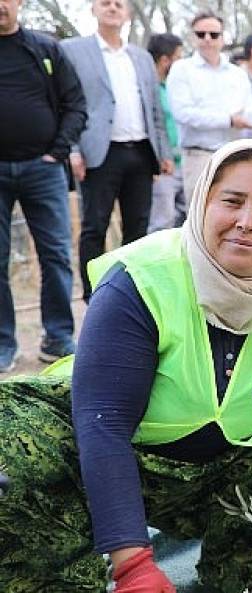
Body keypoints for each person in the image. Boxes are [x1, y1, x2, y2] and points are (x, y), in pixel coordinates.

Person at [0, 139, 252, 593]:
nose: (246, 222)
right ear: (203, 202)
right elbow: (103, 424)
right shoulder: (141, 279)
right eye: (232, 201)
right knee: (12, 441)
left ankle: (236, 577)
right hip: (97, 457)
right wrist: (133, 563)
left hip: (209, 470)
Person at [62, 0, 172, 302]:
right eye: (105, 3)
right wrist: (72, 149)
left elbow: (153, 108)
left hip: (140, 151)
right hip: (99, 153)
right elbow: (66, 102)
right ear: (94, 10)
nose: (112, 8)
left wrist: (162, 150)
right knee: (94, 226)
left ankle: (130, 294)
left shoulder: (140, 57)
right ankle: (93, 296)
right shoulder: (74, 50)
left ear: (127, 13)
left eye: (119, 4)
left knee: (137, 227)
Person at [0, 0, 87, 372]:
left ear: (18, 2)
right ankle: (3, 343)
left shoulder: (45, 48)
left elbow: (77, 104)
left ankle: (58, 337)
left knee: (56, 255)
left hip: (44, 169)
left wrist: (58, 151)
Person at [167, 12, 252, 212]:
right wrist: (228, 120)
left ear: (223, 38)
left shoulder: (238, 74)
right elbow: (183, 113)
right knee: (201, 218)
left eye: (214, 34)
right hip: (199, 156)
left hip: (235, 156)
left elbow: (249, 110)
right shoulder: (182, 70)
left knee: (235, 217)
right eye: (201, 34)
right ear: (193, 37)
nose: (207, 39)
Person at [146, 32, 185, 232]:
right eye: (178, 58)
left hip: (183, 163)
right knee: (162, 222)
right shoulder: (148, 90)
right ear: (164, 60)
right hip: (162, 168)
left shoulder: (174, 89)